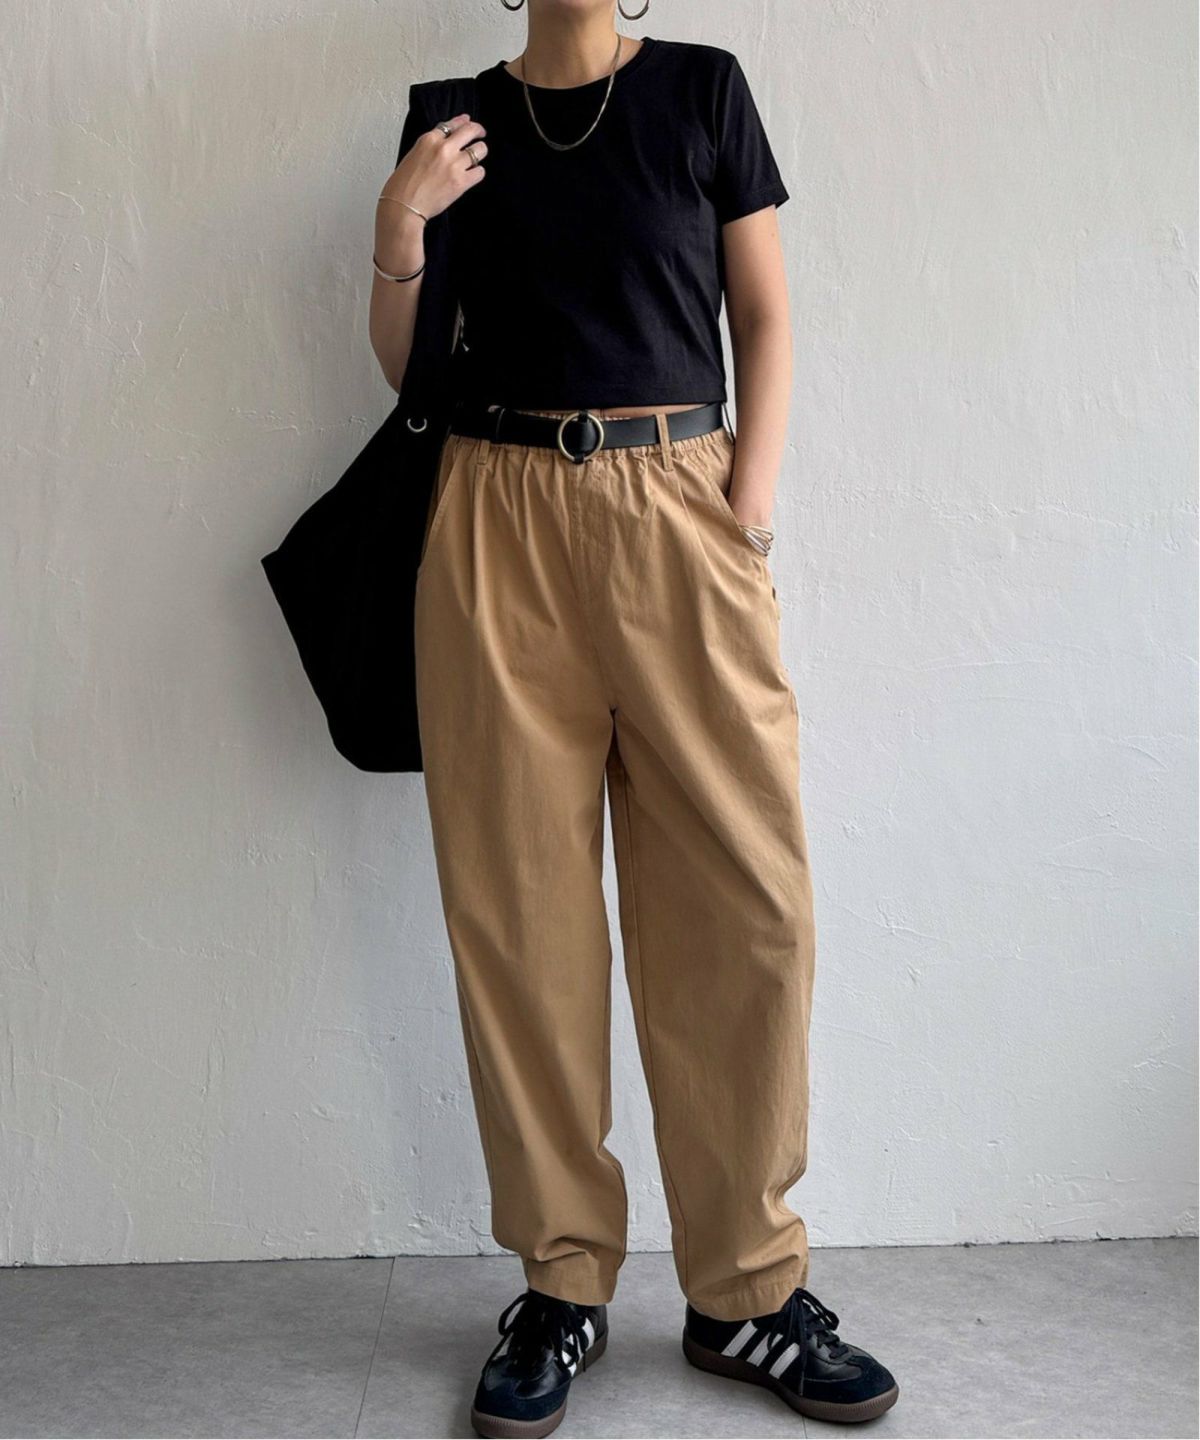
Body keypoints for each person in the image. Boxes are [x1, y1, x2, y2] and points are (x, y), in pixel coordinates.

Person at [369, 4, 899, 1435]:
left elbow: (763, 316)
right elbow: (412, 373)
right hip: (495, 516)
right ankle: (561, 1280)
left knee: (749, 902)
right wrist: (401, 222)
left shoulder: (703, 93)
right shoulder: (452, 117)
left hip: (682, 506)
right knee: (519, 912)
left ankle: (747, 1292)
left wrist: (747, 516)